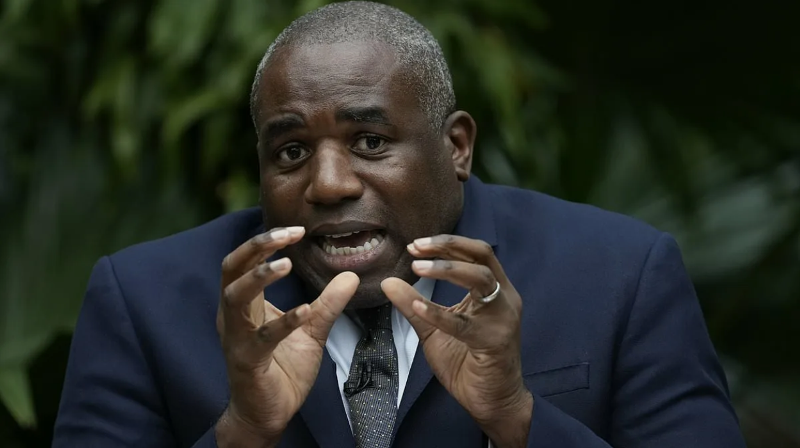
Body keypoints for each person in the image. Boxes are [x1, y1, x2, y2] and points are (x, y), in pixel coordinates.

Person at [52, 2, 747, 447]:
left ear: (456, 147)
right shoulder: (142, 300)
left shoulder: (622, 273)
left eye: (370, 141)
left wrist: (518, 417)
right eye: (291, 152)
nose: (328, 184)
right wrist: (242, 432)